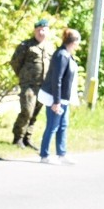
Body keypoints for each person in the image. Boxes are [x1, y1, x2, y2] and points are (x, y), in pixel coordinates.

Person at [38, 27, 81, 165]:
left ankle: (62, 154)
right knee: (52, 126)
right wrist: (56, 102)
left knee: (63, 125)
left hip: (63, 99)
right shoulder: (61, 55)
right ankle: (45, 155)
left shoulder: (67, 54)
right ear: (74, 42)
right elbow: (57, 79)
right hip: (55, 98)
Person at [10, 19, 54, 150]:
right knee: (27, 111)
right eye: (38, 29)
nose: (41, 32)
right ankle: (18, 137)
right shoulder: (26, 45)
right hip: (29, 85)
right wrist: (23, 76)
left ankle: (27, 138)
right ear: (34, 31)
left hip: (44, 86)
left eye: (44, 29)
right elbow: (15, 62)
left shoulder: (50, 47)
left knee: (35, 113)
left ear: (48, 31)